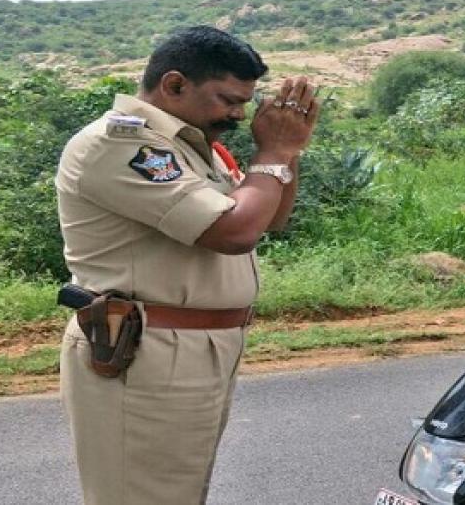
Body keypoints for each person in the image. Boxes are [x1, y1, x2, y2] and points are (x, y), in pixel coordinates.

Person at [56, 26, 319, 504]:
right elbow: (234, 232)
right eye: (228, 100)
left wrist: (287, 153)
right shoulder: (121, 145)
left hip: (193, 347)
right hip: (145, 349)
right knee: (142, 496)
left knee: (178, 492)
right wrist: (273, 153)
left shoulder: (190, 146)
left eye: (246, 101)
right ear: (174, 85)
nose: (239, 114)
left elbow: (268, 217)